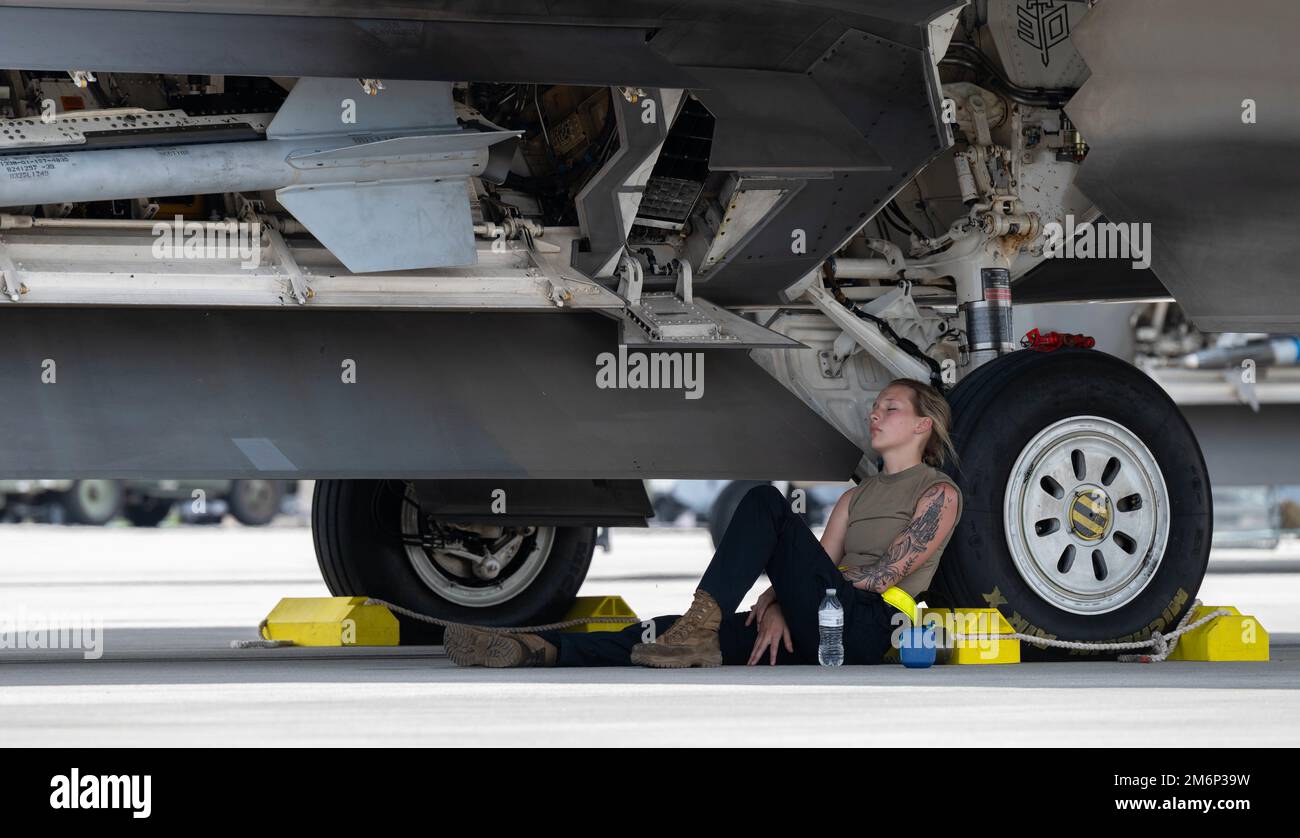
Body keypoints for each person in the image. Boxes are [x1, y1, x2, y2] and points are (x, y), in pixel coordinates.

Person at [443, 378, 964, 668]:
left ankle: (704, 617)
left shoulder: (938, 493)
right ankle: (541, 649)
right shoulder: (857, 495)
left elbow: (884, 576)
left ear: (923, 424)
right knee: (662, 635)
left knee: (764, 501)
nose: (875, 415)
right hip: (818, 628)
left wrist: (783, 597)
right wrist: (782, 606)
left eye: (889, 408)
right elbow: (821, 565)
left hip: (864, 628)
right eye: (874, 407)